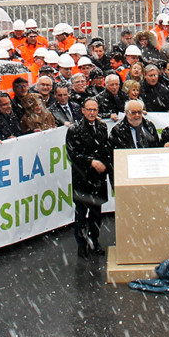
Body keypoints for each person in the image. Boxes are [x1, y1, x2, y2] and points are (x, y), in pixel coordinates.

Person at [65, 97, 112, 258]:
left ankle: (94, 239)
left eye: (95, 110)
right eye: (89, 110)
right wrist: (91, 162)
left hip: (98, 178)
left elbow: (106, 148)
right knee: (81, 212)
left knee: (96, 212)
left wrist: (104, 164)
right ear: (83, 111)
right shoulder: (74, 129)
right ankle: (81, 243)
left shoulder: (102, 127)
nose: (92, 113)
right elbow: (73, 153)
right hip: (82, 177)